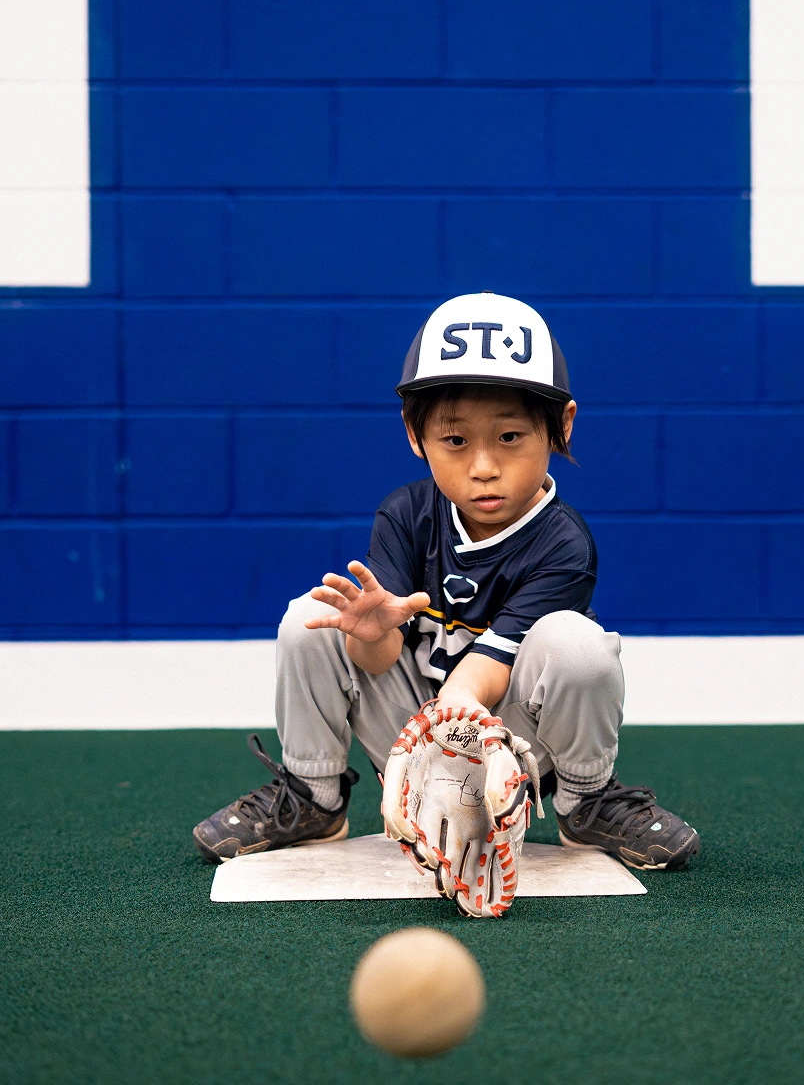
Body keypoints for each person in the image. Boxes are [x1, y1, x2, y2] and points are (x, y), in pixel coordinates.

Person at [193, 292, 700, 875]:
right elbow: (378, 659)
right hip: (411, 738)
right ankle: (315, 795)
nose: (483, 465)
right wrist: (368, 633)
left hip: (513, 747)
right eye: (456, 441)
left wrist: (454, 715)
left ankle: (586, 802)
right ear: (415, 435)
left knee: (577, 643)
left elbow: (487, 669)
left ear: (561, 426)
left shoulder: (563, 542)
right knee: (312, 619)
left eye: (509, 437)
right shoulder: (406, 514)